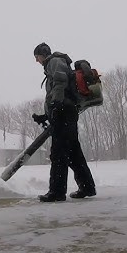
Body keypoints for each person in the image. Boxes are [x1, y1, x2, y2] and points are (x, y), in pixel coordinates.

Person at [32, 42, 96, 202]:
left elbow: (60, 83)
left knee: (58, 154)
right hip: (66, 113)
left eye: (37, 57)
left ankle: (57, 192)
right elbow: (58, 94)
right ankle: (87, 187)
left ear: (42, 54)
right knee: (74, 154)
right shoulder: (54, 64)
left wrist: (56, 105)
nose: (36, 61)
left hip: (64, 114)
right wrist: (45, 115)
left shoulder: (54, 61)